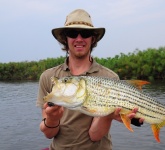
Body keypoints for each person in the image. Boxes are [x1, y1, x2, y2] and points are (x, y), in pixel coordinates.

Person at [36, 9, 143, 150]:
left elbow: (95, 135)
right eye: (73, 33)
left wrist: (108, 114)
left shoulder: (110, 78)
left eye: (85, 34)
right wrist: (52, 118)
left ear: (92, 39)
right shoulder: (48, 77)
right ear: (65, 38)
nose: (79, 39)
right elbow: (49, 133)